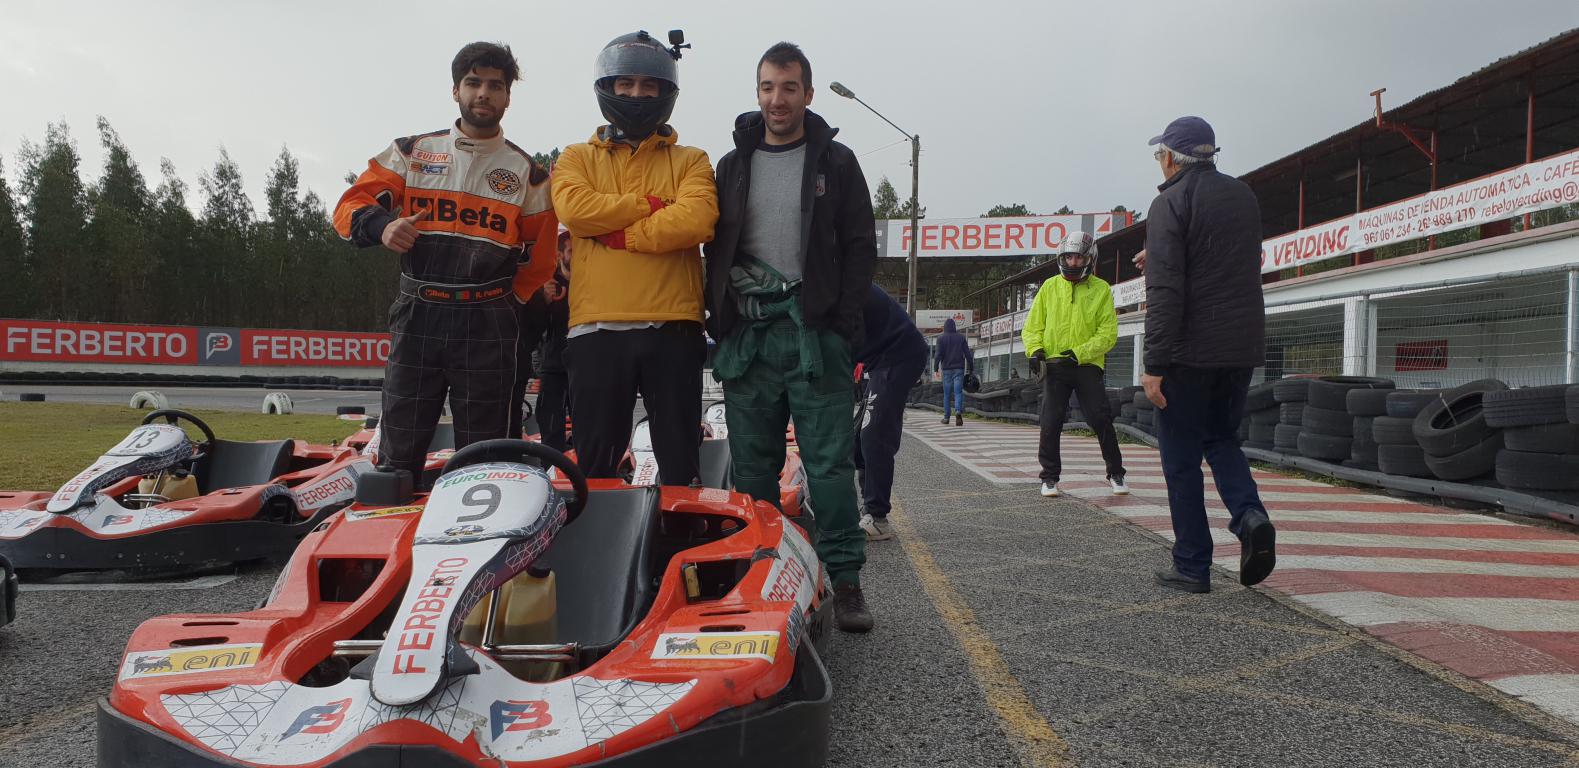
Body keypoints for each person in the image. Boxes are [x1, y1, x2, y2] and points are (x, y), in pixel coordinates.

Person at [705, 42, 878, 632]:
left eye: (789, 88)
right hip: (749, 341)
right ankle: (756, 571)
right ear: (757, 93)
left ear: (807, 92)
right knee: (751, 470)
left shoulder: (838, 162)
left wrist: (842, 326)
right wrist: (719, 320)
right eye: (767, 88)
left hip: (815, 340)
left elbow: (860, 248)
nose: (777, 99)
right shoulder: (730, 166)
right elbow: (714, 250)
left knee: (829, 467)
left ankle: (846, 581)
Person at [334, 42, 557, 481]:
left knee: (484, 456)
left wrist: (507, 303)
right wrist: (382, 227)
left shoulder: (530, 174)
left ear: (508, 97)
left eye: (495, 85)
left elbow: (542, 260)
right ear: (455, 90)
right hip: (419, 314)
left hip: (488, 320)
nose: (483, 93)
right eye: (473, 82)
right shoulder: (411, 151)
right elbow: (349, 206)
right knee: (398, 447)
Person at [551, 30, 718, 483]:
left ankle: (686, 543)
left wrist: (621, 235)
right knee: (596, 463)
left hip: (674, 325)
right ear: (608, 88)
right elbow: (576, 211)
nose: (637, 94)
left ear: (666, 92)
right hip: (595, 326)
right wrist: (652, 205)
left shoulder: (692, 160)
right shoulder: (575, 158)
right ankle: (595, 546)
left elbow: (697, 220)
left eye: (649, 85)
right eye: (626, 84)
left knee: (681, 463)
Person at [1140, 116, 1276, 593]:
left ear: (1173, 157)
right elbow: (1218, 256)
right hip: (1240, 349)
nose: (1160, 164)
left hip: (1187, 354)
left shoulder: (1169, 202)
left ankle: (1192, 565)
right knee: (1221, 439)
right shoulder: (1242, 195)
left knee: (1180, 460)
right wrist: (1154, 249)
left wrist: (1154, 365)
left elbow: (1166, 290)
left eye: (1160, 156)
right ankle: (1249, 515)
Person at [1023, 232, 1128, 498]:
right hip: (1055, 365)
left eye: (1078, 256)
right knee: (1050, 420)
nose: (1072, 262)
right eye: (1068, 256)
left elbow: (1108, 333)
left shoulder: (1101, 289)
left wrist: (1079, 353)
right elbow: (1033, 326)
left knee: (1100, 417)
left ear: (1089, 258)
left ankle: (1116, 473)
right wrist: (1035, 351)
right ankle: (1049, 478)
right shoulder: (1049, 287)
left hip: (1087, 365)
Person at [854, 285, 927, 542]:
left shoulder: (842, 285)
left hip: (900, 354)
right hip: (879, 358)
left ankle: (877, 518)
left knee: (875, 434)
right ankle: (867, 506)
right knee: (858, 437)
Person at [534, 227, 572, 452]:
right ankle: (549, 465)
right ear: (559, 254)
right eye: (569, 250)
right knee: (549, 419)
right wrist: (543, 301)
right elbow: (536, 328)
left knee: (587, 420)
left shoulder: (589, 281)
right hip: (553, 362)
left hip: (583, 363)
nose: (574, 255)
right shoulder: (548, 282)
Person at [935, 318, 973, 425]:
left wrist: (935, 368)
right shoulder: (961, 338)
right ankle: (957, 412)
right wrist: (971, 367)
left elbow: (937, 355)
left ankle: (946, 418)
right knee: (958, 392)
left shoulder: (941, 338)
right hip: (959, 369)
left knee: (947, 394)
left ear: (945, 327)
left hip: (946, 369)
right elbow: (968, 354)